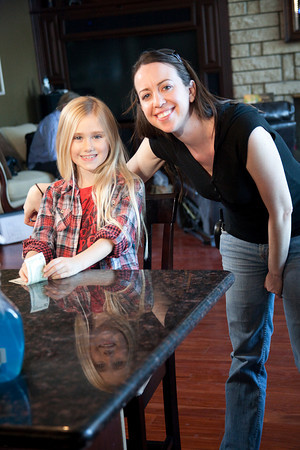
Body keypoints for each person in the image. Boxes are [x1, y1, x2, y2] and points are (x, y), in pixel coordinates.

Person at [22, 49, 300, 449]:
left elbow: (283, 209)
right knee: (246, 354)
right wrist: (44, 190)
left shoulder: (243, 128)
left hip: (294, 232)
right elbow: (119, 178)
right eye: (146, 94)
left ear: (189, 88)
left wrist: (275, 272)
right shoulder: (161, 139)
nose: (158, 101)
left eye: (165, 87)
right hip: (241, 238)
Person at [19, 95, 145, 283]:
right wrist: (30, 261)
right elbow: (41, 240)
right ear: (64, 143)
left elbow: (114, 235)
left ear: (111, 139)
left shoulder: (128, 186)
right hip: (68, 301)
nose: (88, 146)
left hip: (117, 300)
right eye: (78, 137)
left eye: (97, 136)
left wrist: (75, 264)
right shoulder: (54, 194)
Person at [28, 91, 79, 177]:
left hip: (53, 161)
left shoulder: (67, 122)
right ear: (65, 107)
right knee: (69, 166)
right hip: (39, 164)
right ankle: (69, 189)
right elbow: (54, 155)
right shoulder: (52, 123)